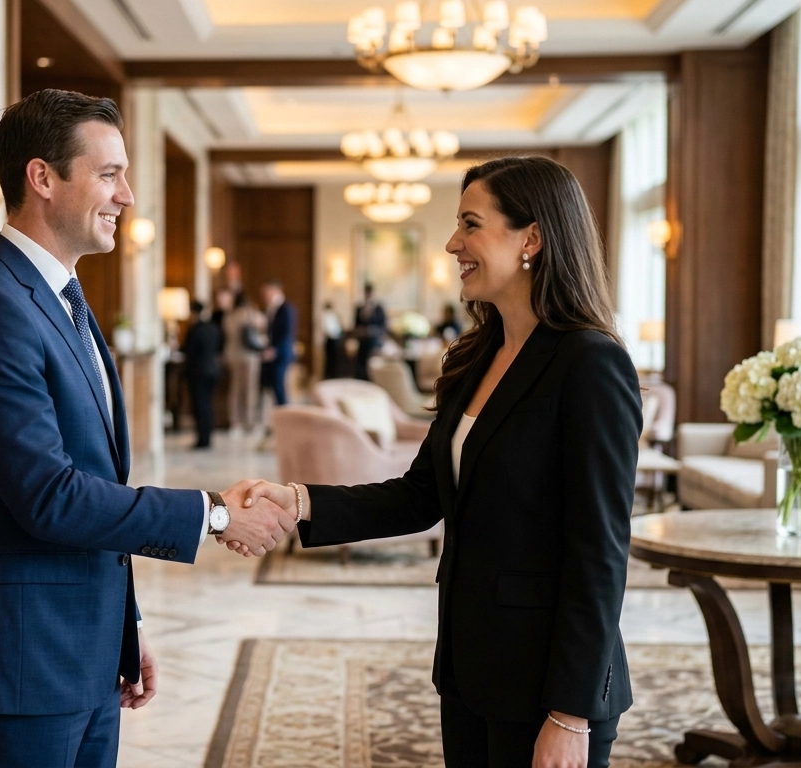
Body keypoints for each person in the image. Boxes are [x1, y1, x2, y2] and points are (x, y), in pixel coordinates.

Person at [0, 89, 294, 768]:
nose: (127, 196)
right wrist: (213, 514)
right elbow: (49, 497)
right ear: (42, 178)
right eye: (109, 174)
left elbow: (96, 481)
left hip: (87, 650)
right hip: (24, 661)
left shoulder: (63, 296)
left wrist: (127, 624)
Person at [232, 156, 641, 768]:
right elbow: (421, 494)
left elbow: (599, 553)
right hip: (469, 668)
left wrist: (570, 713)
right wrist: (299, 501)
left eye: (470, 225)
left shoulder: (590, 363)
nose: (452, 244)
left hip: (549, 687)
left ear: (531, 238)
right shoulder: (476, 356)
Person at [222, 291, 266, 434]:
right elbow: (263, 324)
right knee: (250, 390)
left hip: (233, 356)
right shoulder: (251, 314)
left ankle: (235, 422)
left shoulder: (230, 316)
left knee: (235, 389)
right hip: (249, 357)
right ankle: (249, 421)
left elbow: (226, 333)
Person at [183, 300, 222, 449]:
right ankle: (207, 437)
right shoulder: (214, 327)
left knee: (200, 406)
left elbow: (189, 350)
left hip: (198, 372)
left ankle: (202, 439)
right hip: (213, 369)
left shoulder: (195, 330)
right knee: (208, 405)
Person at [260, 281, 296, 407]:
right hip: (272, 352)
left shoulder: (286, 308)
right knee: (273, 385)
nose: (264, 295)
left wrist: (274, 349)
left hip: (282, 352)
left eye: (266, 292)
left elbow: (287, 332)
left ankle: (284, 413)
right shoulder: (270, 309)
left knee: (279, 384)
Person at [353, 283, 387, 379]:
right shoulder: (359, 308)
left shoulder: (379, 309)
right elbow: (355, 325)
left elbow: (383, 326)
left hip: (374, 341)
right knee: (361, 362)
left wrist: (371, 331)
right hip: (362, 341)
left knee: (371, 361)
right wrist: (360, 331)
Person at [321, 301, 344, 379]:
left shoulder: (333, 315)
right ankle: (330, 376)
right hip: (331, 339)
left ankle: (333, 375)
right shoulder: (327, 316)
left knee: (334, 359)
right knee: (330, 360)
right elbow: (328, 329)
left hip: (335, 339)